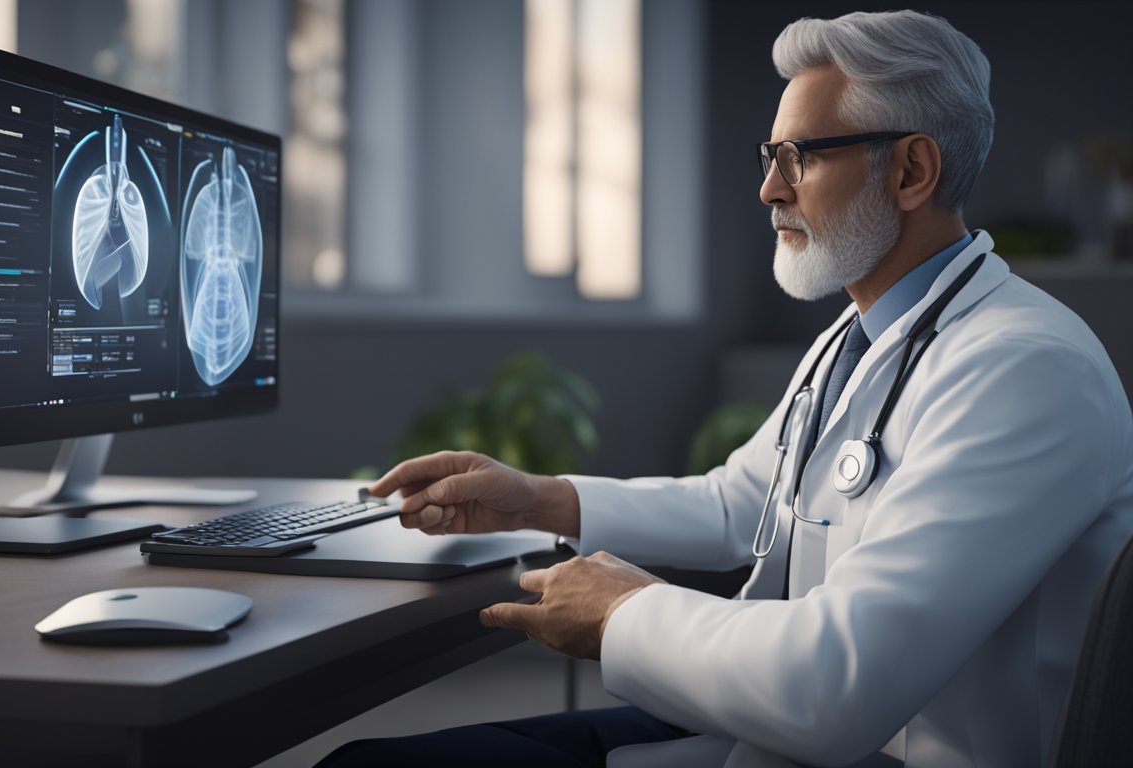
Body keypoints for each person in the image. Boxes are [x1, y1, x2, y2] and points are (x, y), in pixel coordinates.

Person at [317, 10, 1133, 768]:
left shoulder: (1024, 368)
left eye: (799, 157)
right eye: (769, 157)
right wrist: (538, 499)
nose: (769, 189)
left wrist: (623, 612)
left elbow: (837, 686)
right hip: (771, 730)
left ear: (912, 170)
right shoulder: (857, 340)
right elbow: (738, 503)